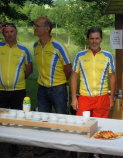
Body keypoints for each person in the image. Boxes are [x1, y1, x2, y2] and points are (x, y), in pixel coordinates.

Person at [33, 17, 72, 157]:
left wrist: (60, 82)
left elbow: (68, 68)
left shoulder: (58, 45)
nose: (34, 28)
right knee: (44, 119)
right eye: (34, 25)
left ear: (47, 28)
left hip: (58, 89)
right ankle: (46, 145)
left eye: (37, 25)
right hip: (41, 88)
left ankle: (66, 146)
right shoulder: (35, 46)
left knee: (62, 118)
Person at [0, 23, 33, 155]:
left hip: (18, 90)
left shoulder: (24, 49)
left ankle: (15, 143)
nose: (9, 34)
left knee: (16, 117)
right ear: (3, 33)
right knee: (1, 118)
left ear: (16, 32)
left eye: (12, 31)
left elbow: (29, 69)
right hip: (1, 90)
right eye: (6, 32)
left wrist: (19, 79)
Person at [71, 27, 116, 119]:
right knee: (82, 127)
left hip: (102, 98)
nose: (94, 41)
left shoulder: (108, 56)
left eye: (97, 38)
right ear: (88, 40)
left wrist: (111, 99)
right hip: (84, 98)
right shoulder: (80, 56)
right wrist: (74, 98)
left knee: (101, 128)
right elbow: (74, 77)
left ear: (101, 40)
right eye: (91, 38)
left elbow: (112, 77)